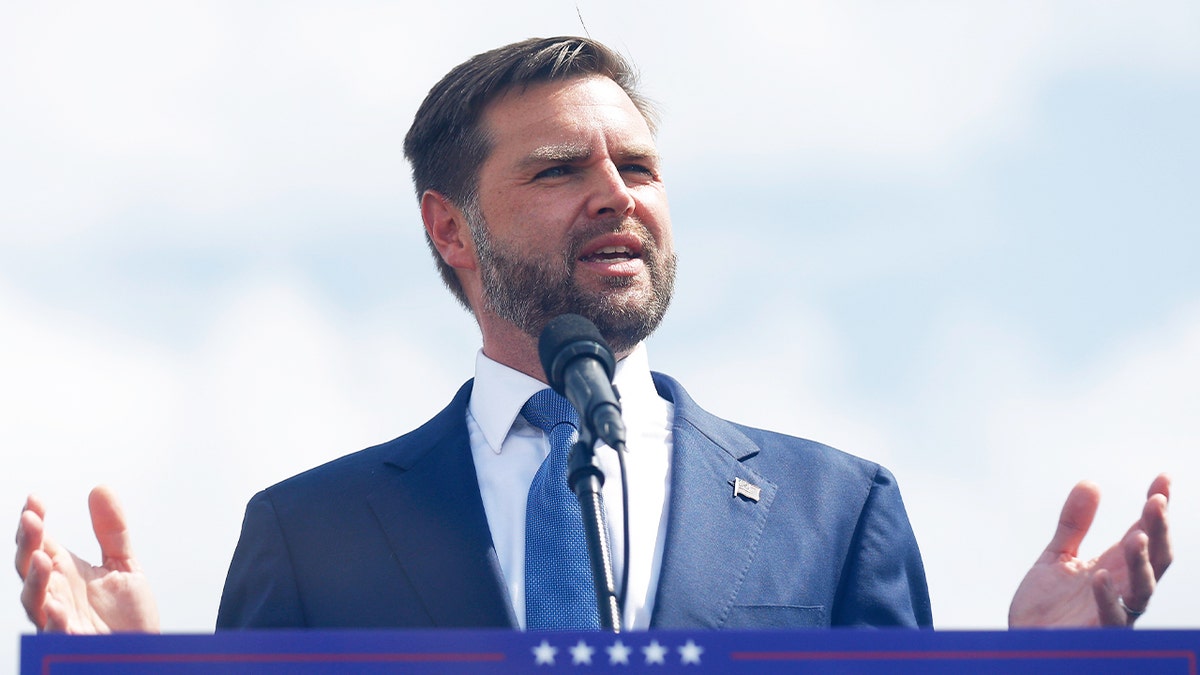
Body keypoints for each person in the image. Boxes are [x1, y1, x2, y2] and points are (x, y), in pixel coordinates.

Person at [15, 36, 1172, 634]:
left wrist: (1051, 670)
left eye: (643, 167)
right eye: (562, 169)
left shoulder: (838, 509)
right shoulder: (309, 534)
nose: (618, 195)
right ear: (449, 228)